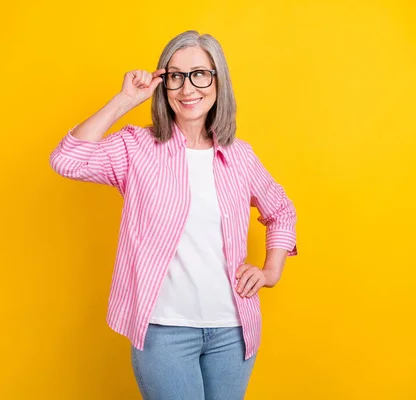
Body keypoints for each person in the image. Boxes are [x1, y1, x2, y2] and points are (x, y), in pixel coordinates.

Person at [49, 30, 298, 400]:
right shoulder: (136, 147)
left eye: (200, 73)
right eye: (175, 76)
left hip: (233, 330)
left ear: (218, 81)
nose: (187, 88)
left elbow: (281, 210)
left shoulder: (240, 156)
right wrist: (124, 101)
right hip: (163, 331)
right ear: (163, 85)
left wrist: (271, 270)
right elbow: (67, 160)